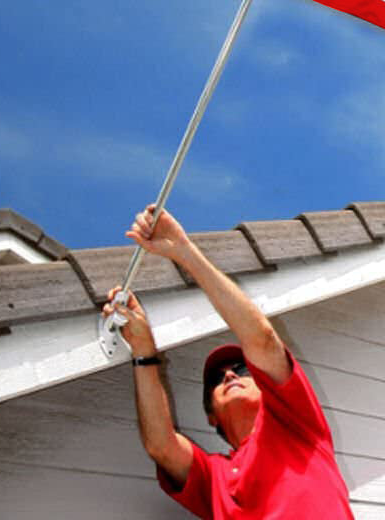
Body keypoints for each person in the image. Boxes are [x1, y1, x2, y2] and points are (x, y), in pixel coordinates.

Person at [103, 204, 354, 519]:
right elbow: (161, 446)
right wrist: (143, 349)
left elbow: (262, 339)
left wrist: (184, 251)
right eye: (216, 380)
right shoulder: (213, 476)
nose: (229, 376)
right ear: (211, 417)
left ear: (267, 390)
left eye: (241, 369)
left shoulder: (296, 424)